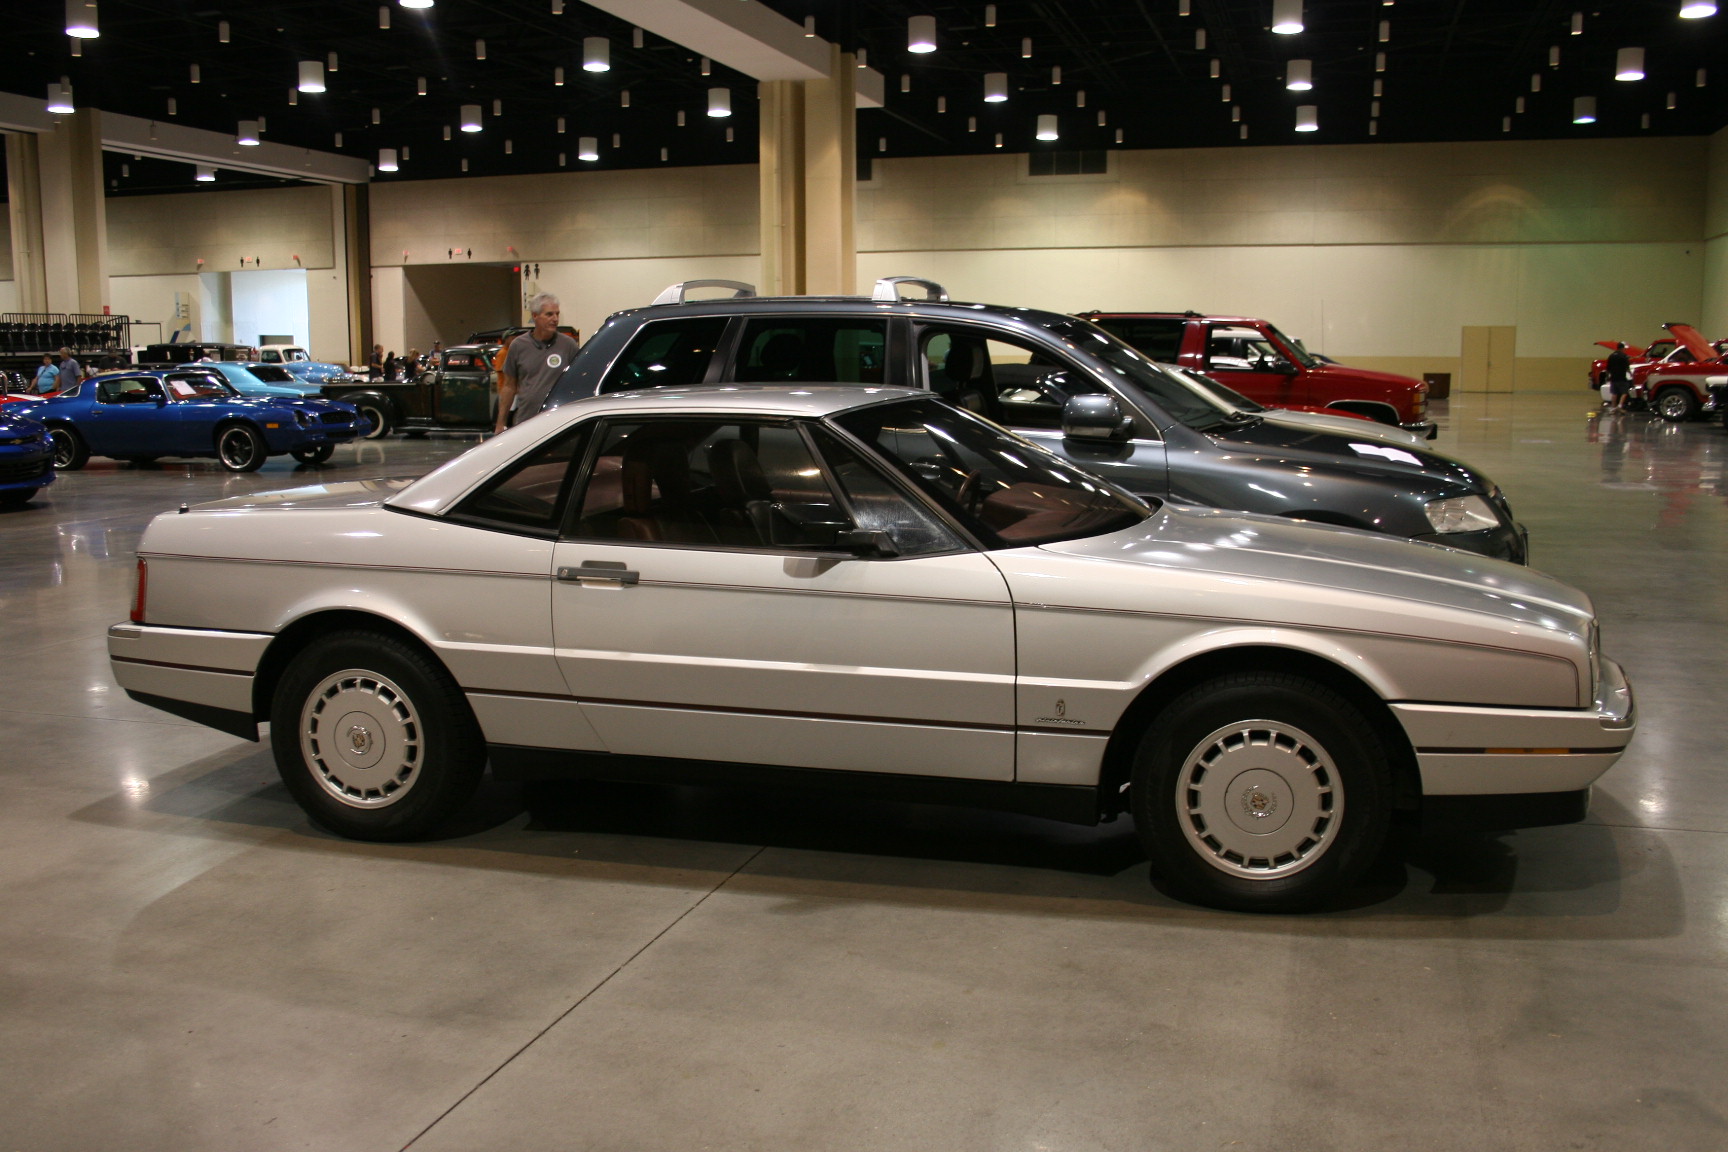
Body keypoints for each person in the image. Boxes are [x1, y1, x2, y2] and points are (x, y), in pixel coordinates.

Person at [494, 293, 578, 433]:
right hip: (527, 420)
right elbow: (509, 386)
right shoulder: (518, 345)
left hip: (558, 422)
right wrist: (500, 423)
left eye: (557, 314)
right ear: (535, 316)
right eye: (549, 314)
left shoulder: (568, 345)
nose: (555, 319)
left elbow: (578, 381)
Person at [1604, 341, 1632, 411]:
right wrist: (1631, 374)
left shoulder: (1611, 356)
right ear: (1622, 348)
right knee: (1624, 392)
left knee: (1614, 393)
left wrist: (1607, 377)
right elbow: (1627, 367)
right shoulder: (1624, 356)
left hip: (1613, 378)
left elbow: (1608, 368)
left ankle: (1613, 408)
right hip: (1621, 377)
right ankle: (1620, 405)